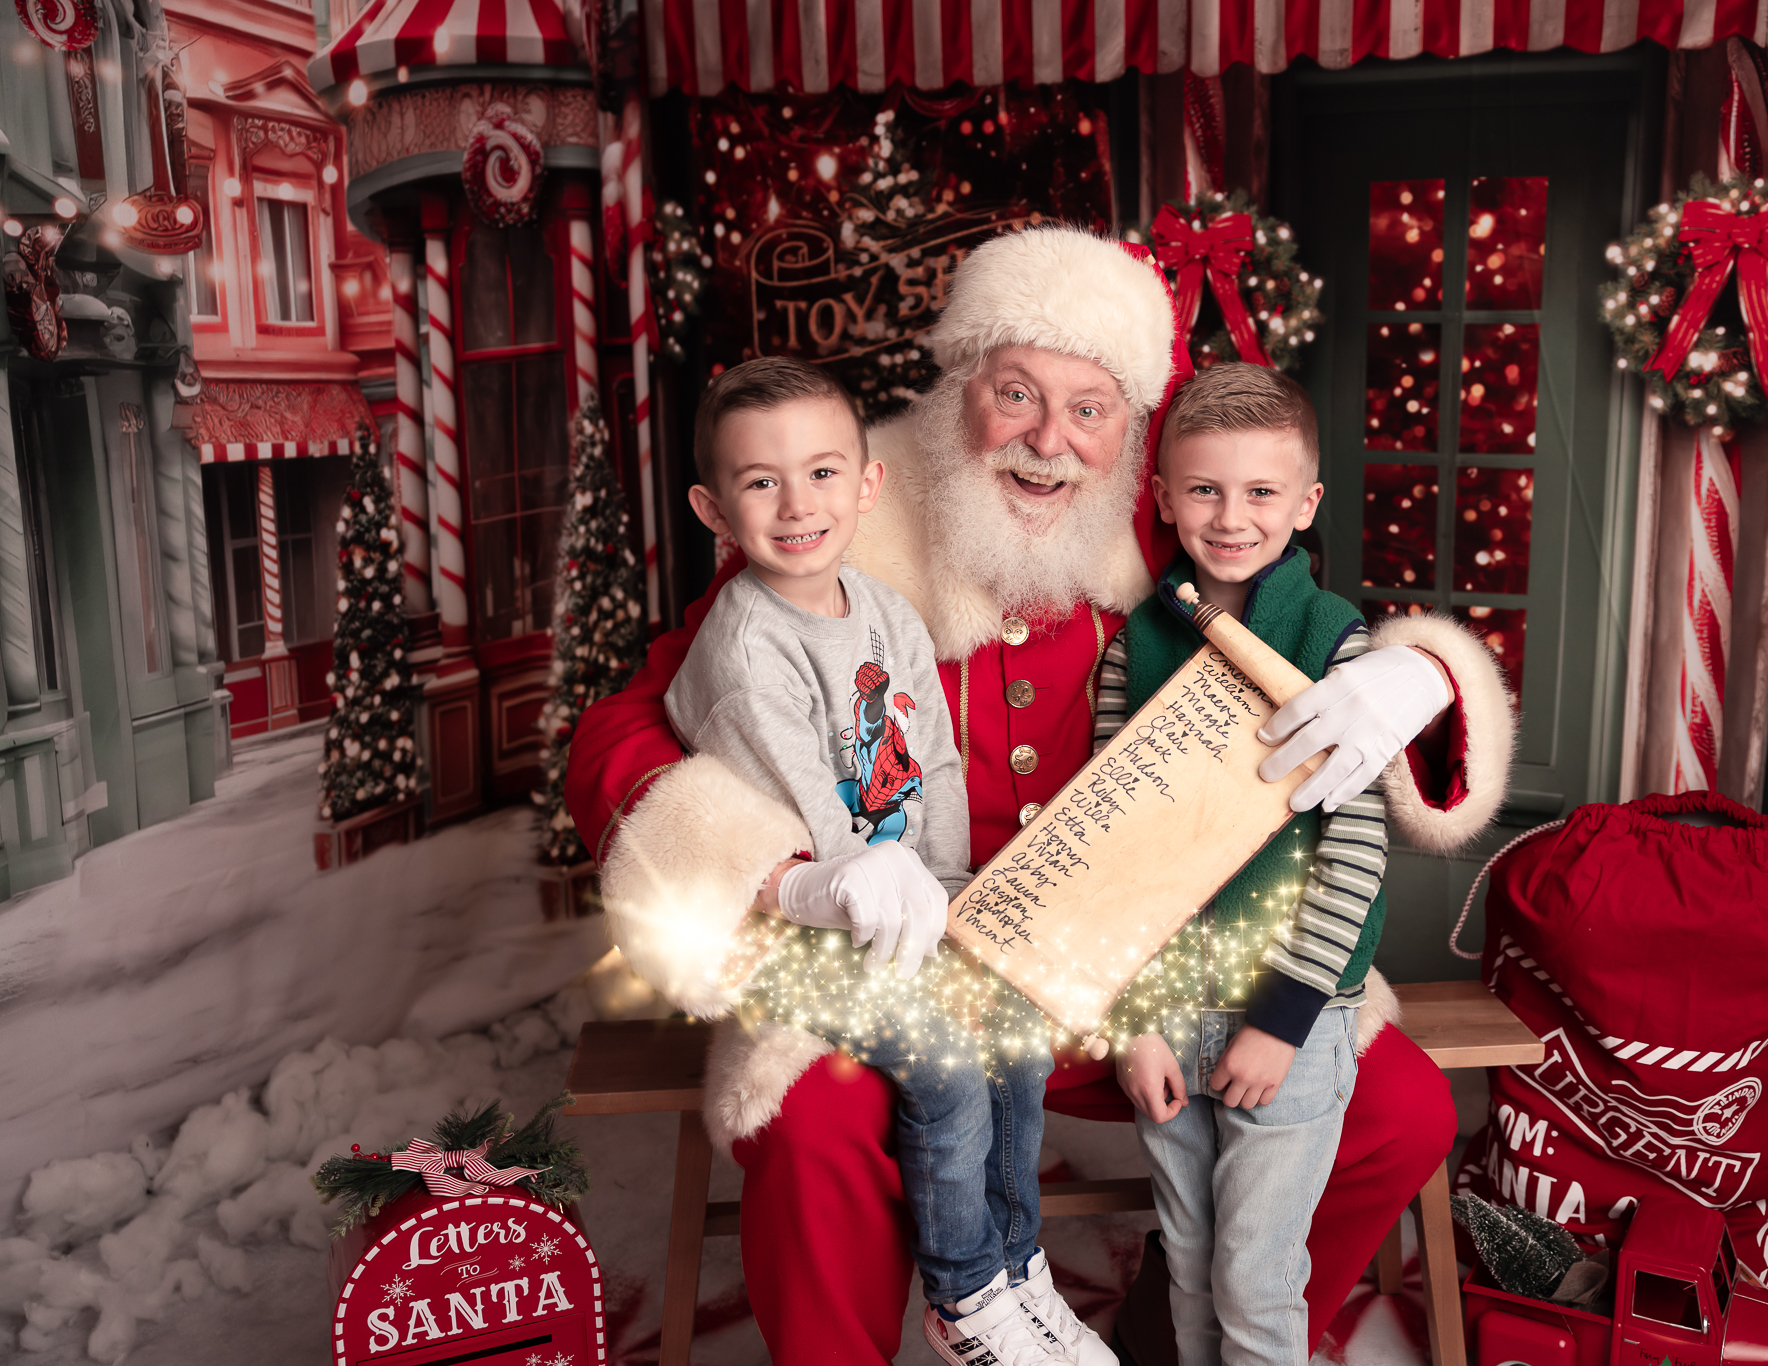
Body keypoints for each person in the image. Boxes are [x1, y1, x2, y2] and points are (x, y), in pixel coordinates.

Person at [574, 226, 1514, 1364]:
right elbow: (623, 727)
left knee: (1397, 1111)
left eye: (1089, 408)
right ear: (956, 387)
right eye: (1013, 393)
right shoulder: (839, 507)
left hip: (1138, 976)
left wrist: (1414, 675)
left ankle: (1190, 1336)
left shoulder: (1164, 523)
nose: (1046, 440)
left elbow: (1318, 635)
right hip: (913, 958)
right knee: (812, 1114)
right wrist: (782, 871)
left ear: (1134, 436)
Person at [642, 356, 1106, 1366]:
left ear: (866, 484)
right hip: (801, 936)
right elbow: (819, 838)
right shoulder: (748, 652)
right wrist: (902, 934)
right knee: (945, 1064)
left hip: (903, 909)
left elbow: (932, 764)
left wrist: (948, 913)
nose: (795, 504)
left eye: (820, 473)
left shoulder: (885, 612)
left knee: (1014, 1016)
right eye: (759, 481)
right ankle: (965, 1294)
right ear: (713, 509)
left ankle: (1016, 1263)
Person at [1097, 364, 1436, 1366]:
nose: (1230, 516)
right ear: (1160, 496)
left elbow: (1355, 848)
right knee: (1193, 1266)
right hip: (1167, 1013)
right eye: (1202, 489)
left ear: (1304, 502)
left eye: (1258, 492)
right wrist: (1132, 1020)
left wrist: (1283, 1019)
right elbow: (1111, 846)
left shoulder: (1336, 644)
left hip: (1285, 1020)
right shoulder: (1134, 643)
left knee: (1254, 1274)